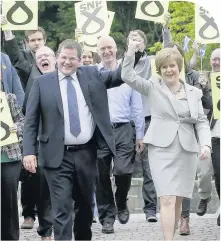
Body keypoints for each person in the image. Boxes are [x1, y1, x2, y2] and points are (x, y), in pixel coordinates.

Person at [22, 39, 123, 241]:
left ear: (80, 61)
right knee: (61, 209)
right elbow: (31, 120)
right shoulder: (42, 83)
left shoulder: (92, 75)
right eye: (64, 58)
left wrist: (132, 55)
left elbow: (119, 76)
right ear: (57, 57)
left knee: (85, 207)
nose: (67, 63)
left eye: (72, 59)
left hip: (86, 153)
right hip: (55, 156)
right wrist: (29, 152)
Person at [121, 41, 211, 240]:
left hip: (187, 149)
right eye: (164, 67)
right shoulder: (153, 86)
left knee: (178, 198)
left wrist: (205, 143)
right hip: (161, 149)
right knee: (167, 197)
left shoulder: (194, 92)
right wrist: (130, 52)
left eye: (172, 65)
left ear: (179, 67)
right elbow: (127, 76)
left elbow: (202, 122)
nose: (169, 70)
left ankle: (174, 233)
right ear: (159, 70)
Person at [95, 35, 144, 234]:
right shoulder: (93, 74)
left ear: (116, 49)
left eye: (110, 48)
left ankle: (121, 201)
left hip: (124, 128)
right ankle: (107, 216)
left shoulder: (127, 72)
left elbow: (137, 106)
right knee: (101, 175)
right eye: (103, 49)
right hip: (101, 130)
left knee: (123, 171)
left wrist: (139, 134)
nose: (107, 52)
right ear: (98, 52)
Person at [164, 42, 213, 235]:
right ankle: (171, 215)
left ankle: (184, 218)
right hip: (167, 136)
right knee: (170, 179)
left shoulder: (193, 77)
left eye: (176, 56)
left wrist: (206, 87)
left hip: (190, 134)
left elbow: (209, 106)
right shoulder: (159, 80)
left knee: (186, 178)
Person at [1, 90, 24, 240]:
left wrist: (17, 127)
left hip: (9, 159)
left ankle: (10, 237)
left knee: (9, 202)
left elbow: (23, 121)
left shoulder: (9, 98)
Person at [207, 48, 220, 226]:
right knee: (218, 173)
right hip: (215, 135)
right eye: (214, 59)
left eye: (219, 59)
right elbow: (206, 105)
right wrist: (205, 90)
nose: (216, 62)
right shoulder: (206, 80)